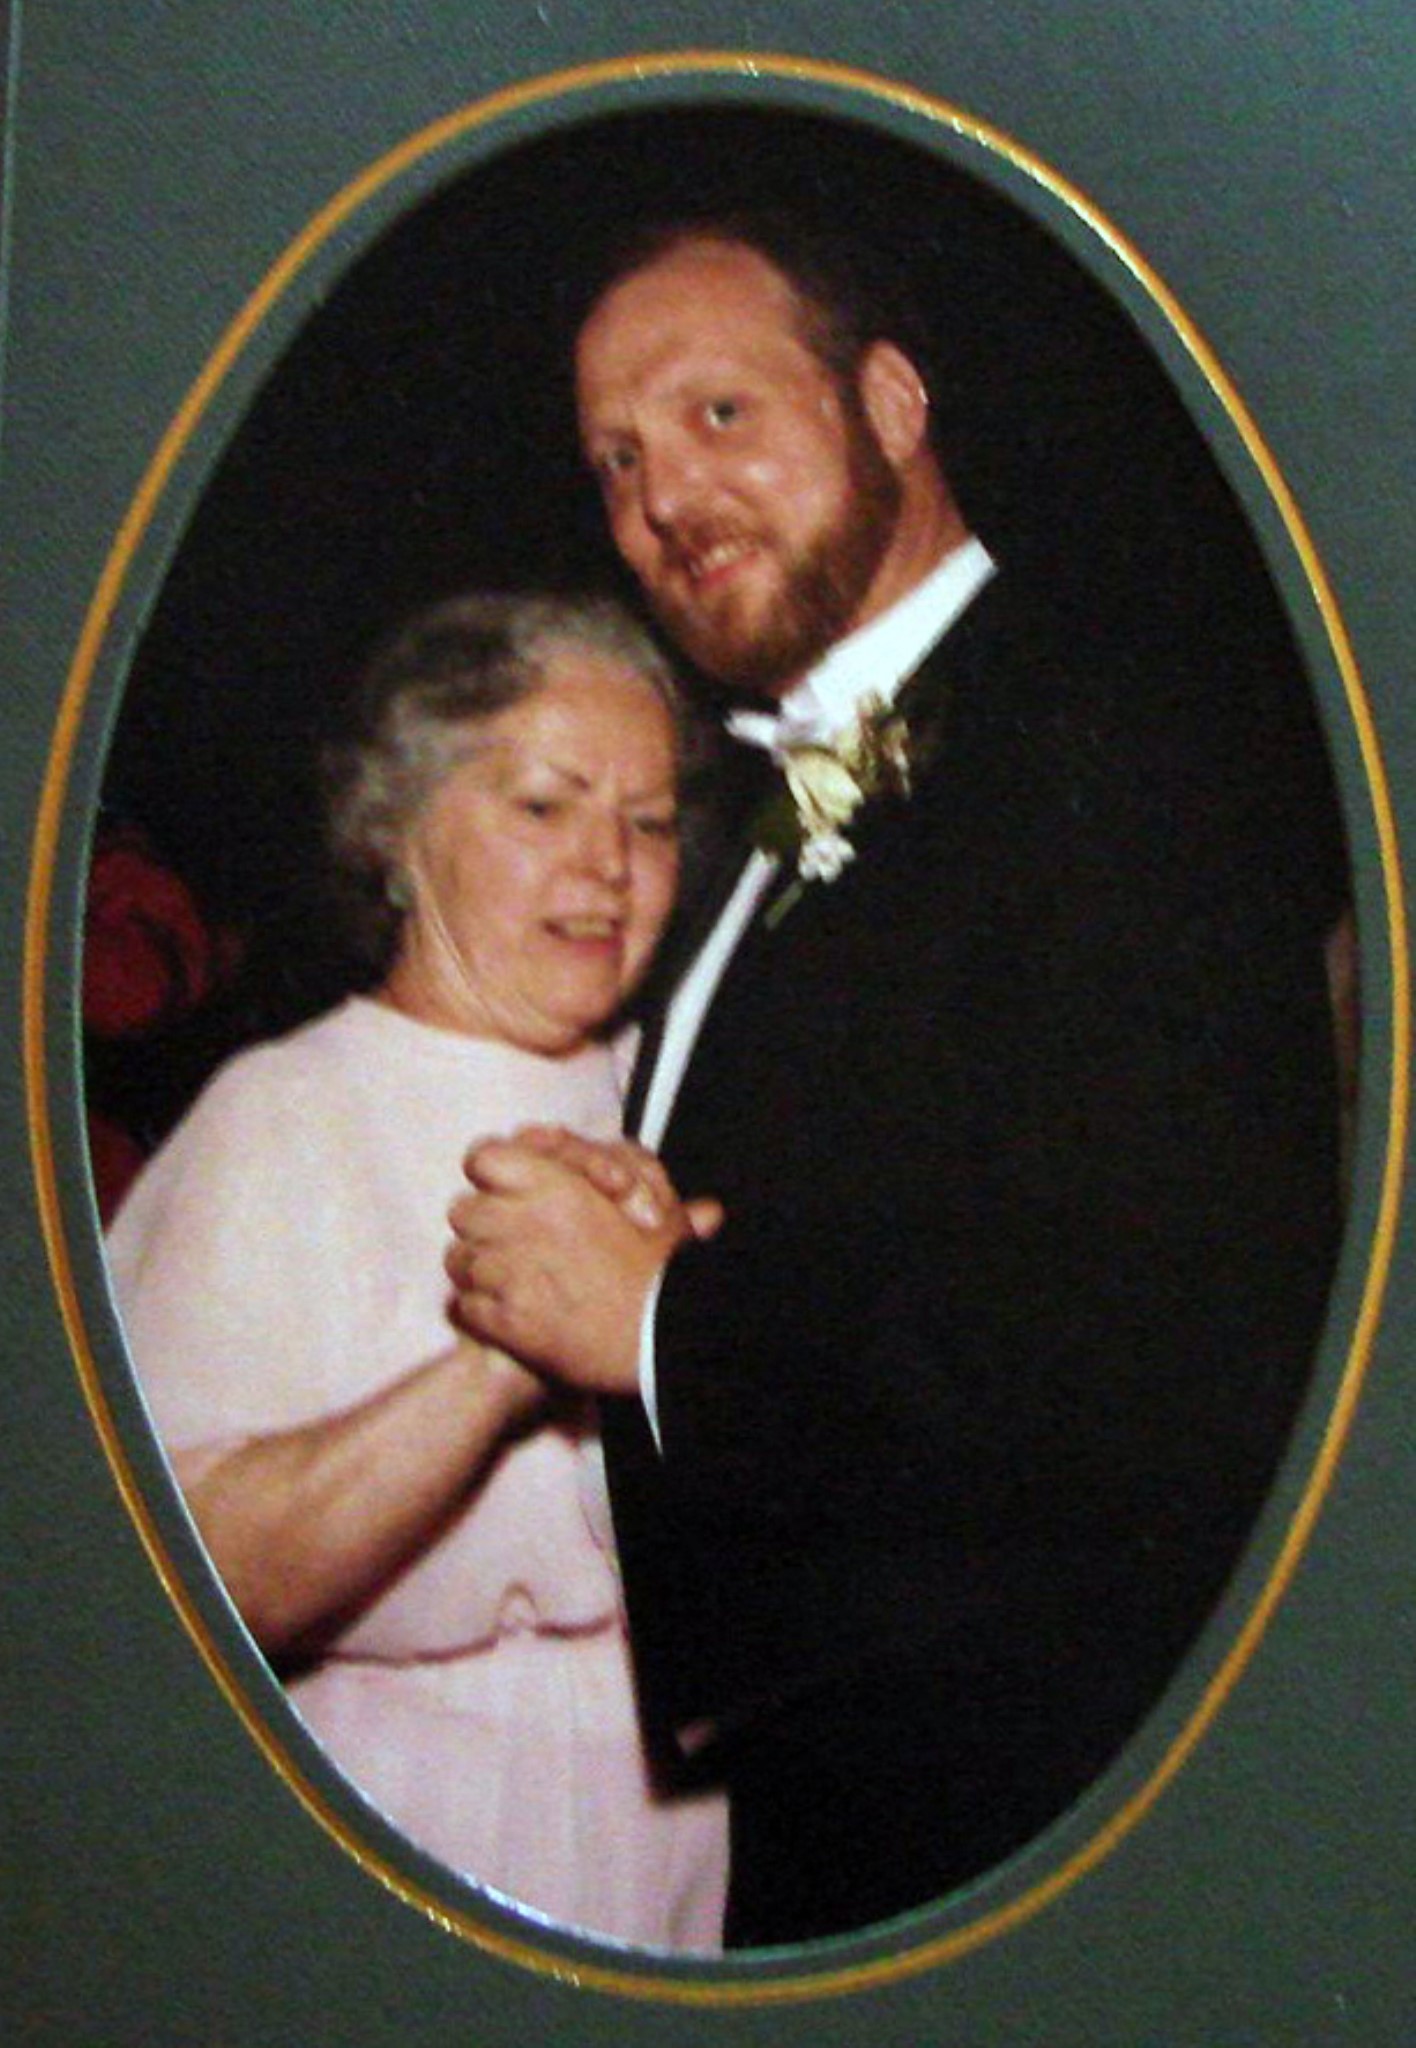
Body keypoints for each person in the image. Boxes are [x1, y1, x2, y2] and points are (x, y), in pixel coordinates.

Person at [444, 213, 1349, 1946]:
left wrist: (660, 1323)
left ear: (892, 403)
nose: (664, 498)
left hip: (1056, 1819)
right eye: (617, 461)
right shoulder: (746, 814)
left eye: (717, 413)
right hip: (841, 1798)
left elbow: (1167, 1342)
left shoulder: (1115, 750)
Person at [104, 591, 729, 1951]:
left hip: (685, 1819)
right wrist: (502, 1363)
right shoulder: (285, 1116)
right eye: (545, 806)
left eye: (648, 822)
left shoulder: (682, 1088)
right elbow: (179, 1579)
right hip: (408, 1808)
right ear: (398, 831)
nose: (608, 868)